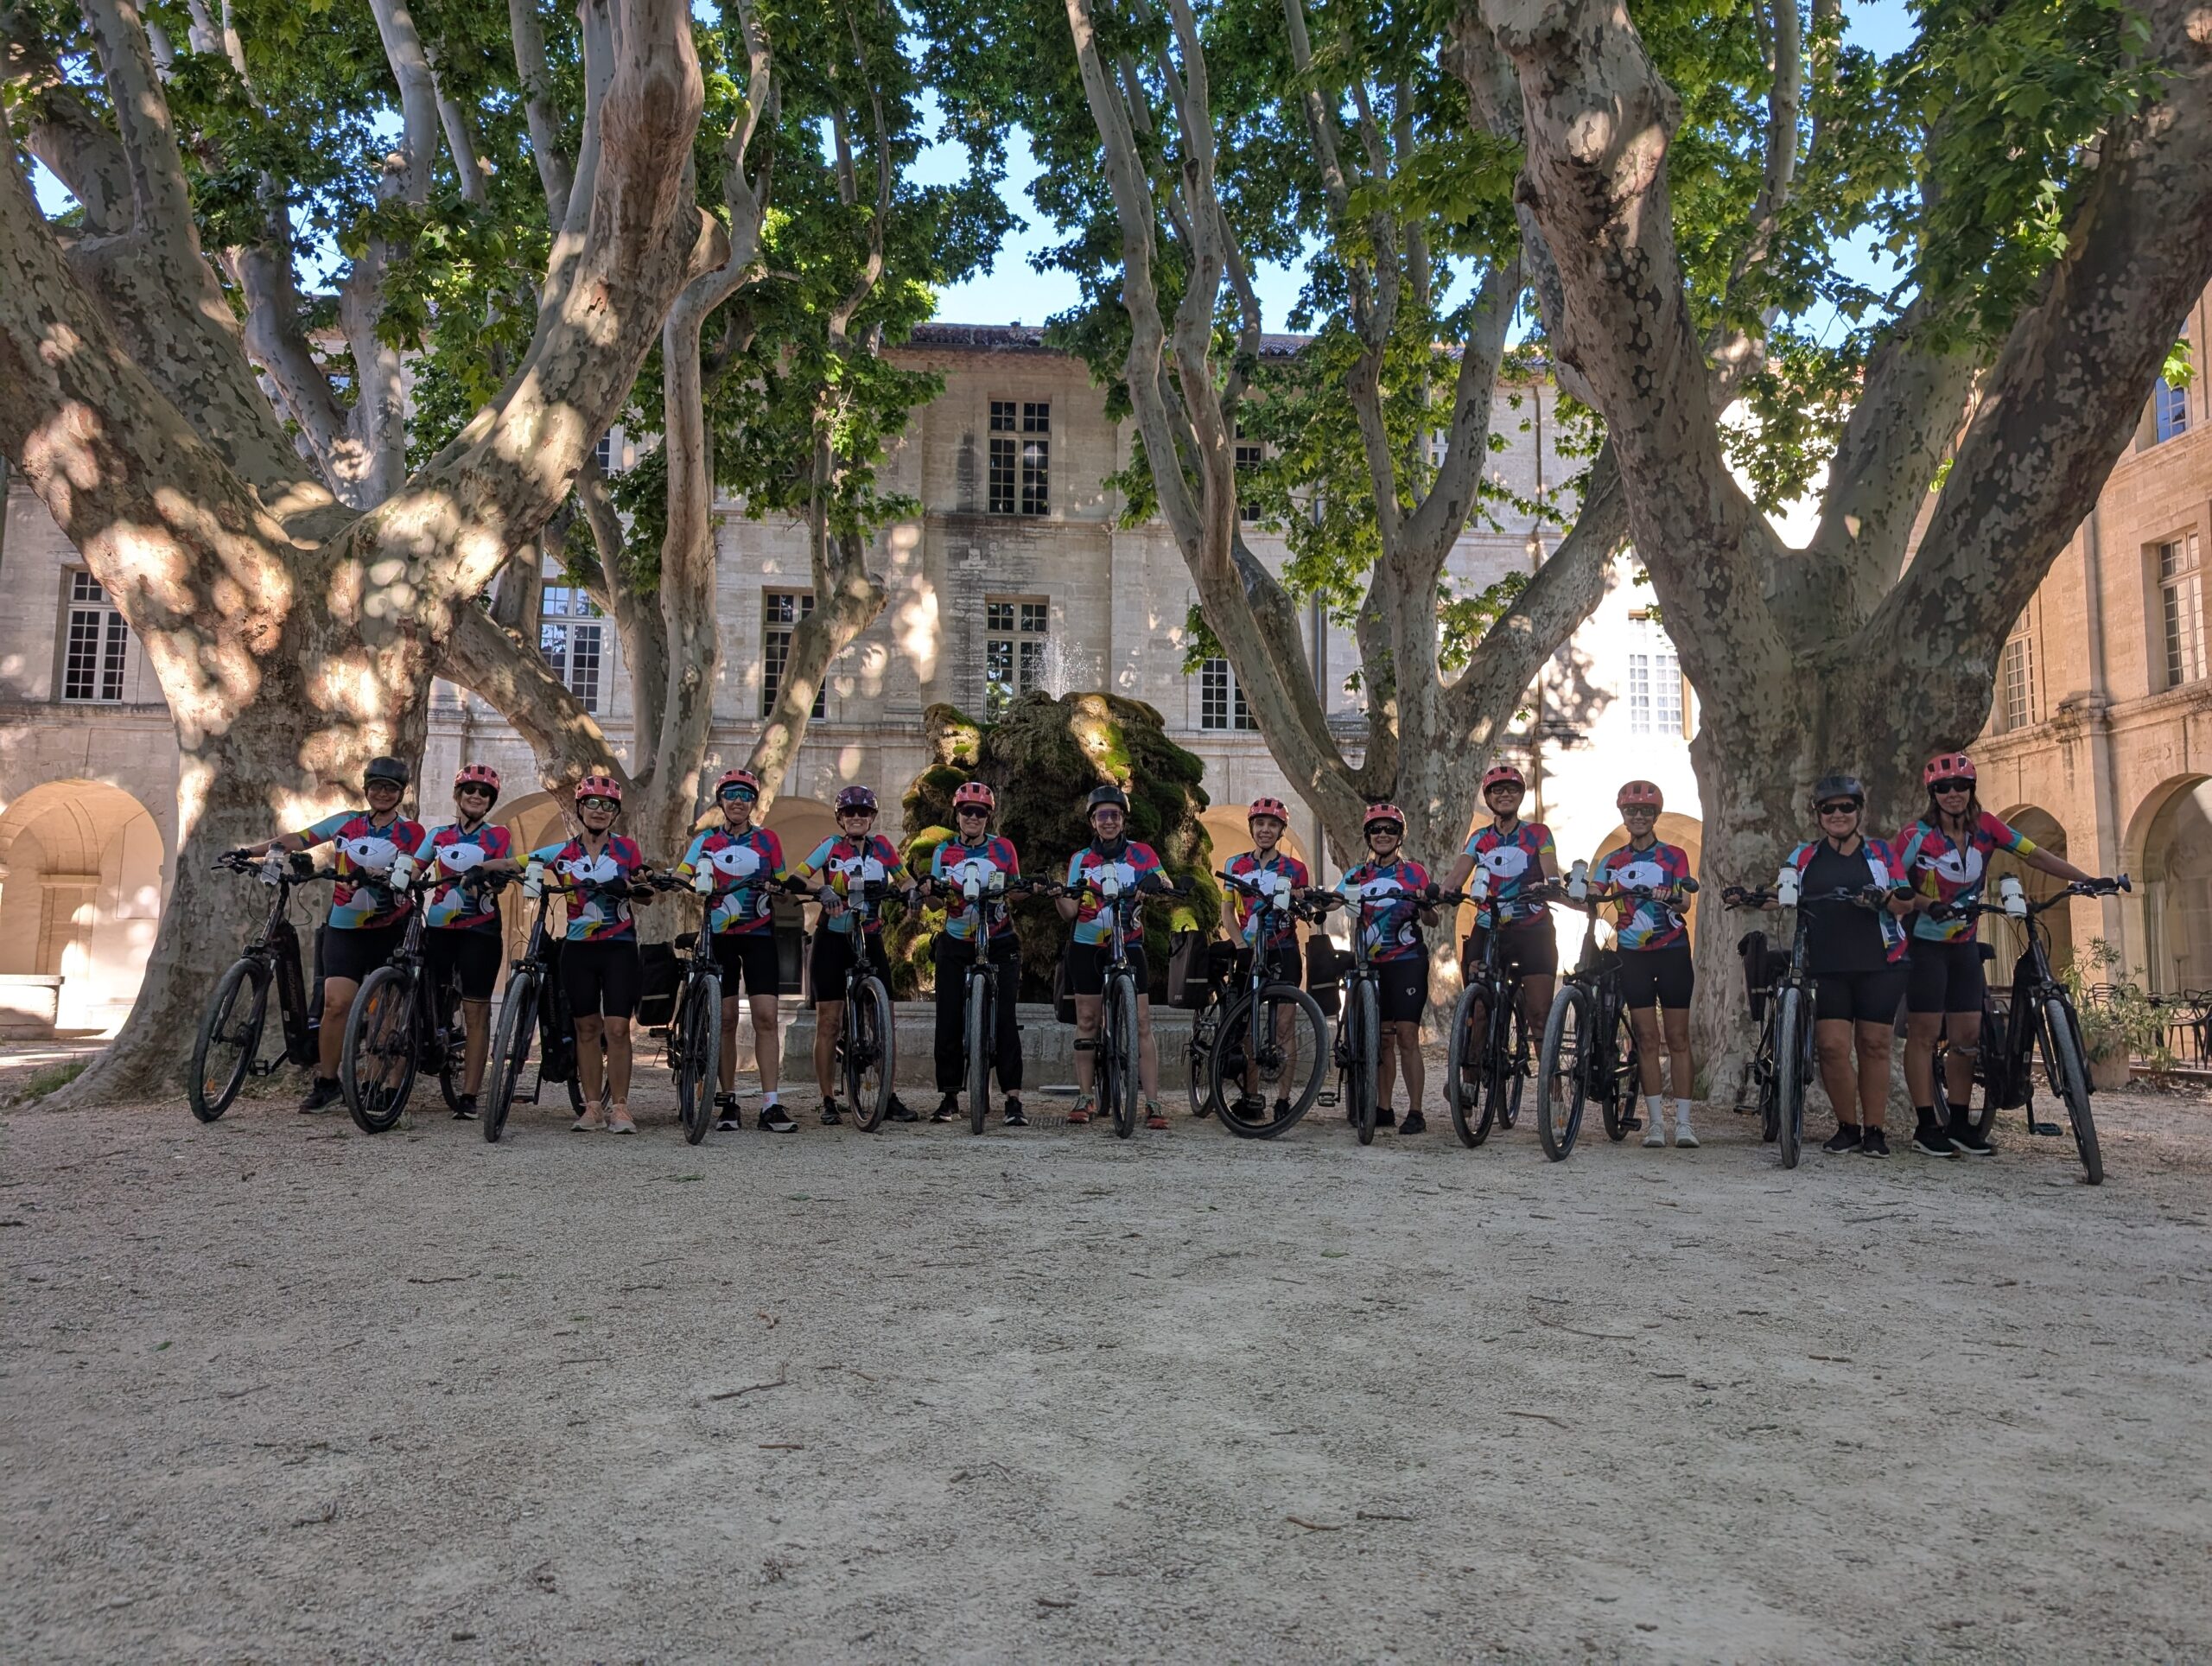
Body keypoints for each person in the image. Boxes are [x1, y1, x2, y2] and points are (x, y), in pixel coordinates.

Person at [1895, 751, 2091, 1157]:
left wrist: (2085, 878)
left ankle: (1961, 1124)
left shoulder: (1986, 828)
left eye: (1961, 786)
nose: (1954, 794)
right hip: (1924, 945)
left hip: (1963, 946)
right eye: (1944, 788)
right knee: (1925, 1035)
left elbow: (2034, 853)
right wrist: (1924, 904)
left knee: (1967, 1037)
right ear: (1933, 794)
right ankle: (1926, 1127)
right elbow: (1893, 883)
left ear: (1972, 790)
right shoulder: (1916, 835)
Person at [1732, 773, 1915, 1158]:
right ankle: (1847, 1127)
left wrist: (1883, 898)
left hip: (1880, 962)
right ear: (1817, 815)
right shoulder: (1804, 856)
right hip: (1826, 963)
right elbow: (1782, 892)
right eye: (1828, 808)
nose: (1837, 814)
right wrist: (1751, 895)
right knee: (1832, 1047)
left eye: (1846, 807)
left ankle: (1875, 1131)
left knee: (1875, 1045)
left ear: (1859, 811)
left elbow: (1904, 902)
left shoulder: (1880, 853)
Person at [238, 755, 425, 1112]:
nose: (383, 793)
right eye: (376, 787)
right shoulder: (346, 822)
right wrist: (252, 851)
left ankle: (387, 1081)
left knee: (389, 1009)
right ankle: (327, 1081)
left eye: (391, 788)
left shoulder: (410, 831)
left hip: (392, 926)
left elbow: (410, 867)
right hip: (345, 926)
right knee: (336, 1004)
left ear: (400, 793)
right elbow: (300, 838)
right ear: (367, 789)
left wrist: (381, 878)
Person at [529, 774, 653, 1134]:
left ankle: (622, 1108)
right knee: (586, 1028)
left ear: (615, 814)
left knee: (616, 1029)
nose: (600, 811)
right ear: (580, 809)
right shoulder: (562, 852)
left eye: (608, 806)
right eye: (593, 804)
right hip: (578, 949)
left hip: (620, 948)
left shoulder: (627, 850)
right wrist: (480, 870)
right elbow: (516, 863)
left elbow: (646, 895)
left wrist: (628, 886)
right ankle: (592, 1107)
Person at [1441, 763, 1561, 1129]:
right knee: (1477, 1006)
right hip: (1488, 926)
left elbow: (1550, 868)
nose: (1504, 795)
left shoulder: (1538, 833)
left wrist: (1551, 882)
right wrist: (1444, 890)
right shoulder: (1480, 838)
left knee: (1540, 1015)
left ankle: (1553, 1099)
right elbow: (1460, 872)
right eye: (1497, 790)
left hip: (1532, 929)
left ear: (1520, 796)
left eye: (1511, 789)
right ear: (1489, 798)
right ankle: (1469, 1086)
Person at [675, 768, 791, 1132]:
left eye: (745, 795)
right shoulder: (706, 841)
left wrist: (781, 889)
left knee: (766, 1018)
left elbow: (784, 883)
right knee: (724, 1021)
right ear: (721, 801)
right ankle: (727, 1102)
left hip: (759, 936)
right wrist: (666, 879)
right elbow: (683, 874)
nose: (738, 801)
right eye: (731, 794)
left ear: (754, 803)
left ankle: (771, 1104)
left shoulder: (768, 840)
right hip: (718, 937)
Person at [791, 785, 912, 1126]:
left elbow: (903, 880)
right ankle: (828, 1098)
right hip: (833, 937)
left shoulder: (883, 847)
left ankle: (887, 1095)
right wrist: (822, 888)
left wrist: (912, 892)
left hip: (870, 937)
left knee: (885, 1020)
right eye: (849, 812)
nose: (856, 817)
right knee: (828, 1022)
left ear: (872, 817)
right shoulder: (830, 847)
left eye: (863, 812)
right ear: (840, 818)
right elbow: (797, 877)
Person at [1589, 780, 1699, 1148]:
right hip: (1631, 955)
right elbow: (1594, 893)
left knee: (1678, 1038)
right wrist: (1580, 892)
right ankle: (1655, 1124)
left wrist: (1672, 896)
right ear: (1622, 815)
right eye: (1632, 811)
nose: (1638, 817)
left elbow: (1684, 902)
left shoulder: (1673, 856)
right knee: (1647, 1038)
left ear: (1655, 817)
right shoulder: (1613, 861)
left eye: (1646, 812)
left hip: (1672, 950)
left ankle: (1683, 1123)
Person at [1058, 784, 1173, 1129]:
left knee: (1141, 1023)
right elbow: (1069, 911)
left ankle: (1152, 1101)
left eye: (1115, 815)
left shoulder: (1143, 855)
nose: (1109, 821)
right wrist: (1056, 894)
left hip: (1130, 943)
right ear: (1093, 822)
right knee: (1088, 1022)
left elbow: (1167, 888)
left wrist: (1157, 885)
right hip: (1087, 945)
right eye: (1102, 816)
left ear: (1123, 820)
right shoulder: (1080, 860)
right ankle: (1085, 1095)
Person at [924, 781, 1027, 1127]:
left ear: (988, 817)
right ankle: (950, 1096)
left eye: (980, 812)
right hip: (956, 941)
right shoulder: (943, 852)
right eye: (967, 811)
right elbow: (936, 903)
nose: (973, 817)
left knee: (1007, 1019)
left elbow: (1016, 890)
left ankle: (1013, 1098)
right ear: (957, 815)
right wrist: (928, 891)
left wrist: (1028, 889)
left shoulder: (1004, 849)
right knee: (949, 1017)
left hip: (998, 939)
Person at [420, 763, 516, 1120]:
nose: (476, 796)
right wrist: (401, 877)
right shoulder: (438, 835)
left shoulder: (498, 835)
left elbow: (502, 866)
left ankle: (470, 1094)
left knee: (476, 1009)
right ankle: (391, 1083)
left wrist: (493, 878)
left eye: (484, 793)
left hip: (481, 929)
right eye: (469, 791)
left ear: (490, 801)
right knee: (424, 998)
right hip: (439, 927)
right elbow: (415, 865)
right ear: (458, 796)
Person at [1340, 802, 1438, 1132]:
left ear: (1399, 836)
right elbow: (1333, 900)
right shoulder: (1356, 875)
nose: (1383, 835)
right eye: (1376, 830)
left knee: (1407, 1036)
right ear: (1368, 835)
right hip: (1370, 966)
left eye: (1390, 830)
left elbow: (1432, 919)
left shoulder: (1415, 873)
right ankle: (1383, 1108)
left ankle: (1416, 1111)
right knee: (1382, 1040)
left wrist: (1425, 904)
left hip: (1408, 961)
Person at [1223, 797, 1311, 1122]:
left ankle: (1284, 1100)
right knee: (1247, 1028)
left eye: (1272, 824)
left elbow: (1307, 907)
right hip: (1249, 948)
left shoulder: (1295, 868)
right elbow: (1227, 910)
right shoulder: (1236, 865)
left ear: (1281, 831)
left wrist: (1303, 899)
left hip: (1283, 948)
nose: (1265, 829)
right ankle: (1252, 1095)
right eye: (1260, 823)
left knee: (1284, 1028)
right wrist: (1238, 942)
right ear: (1252, 828)